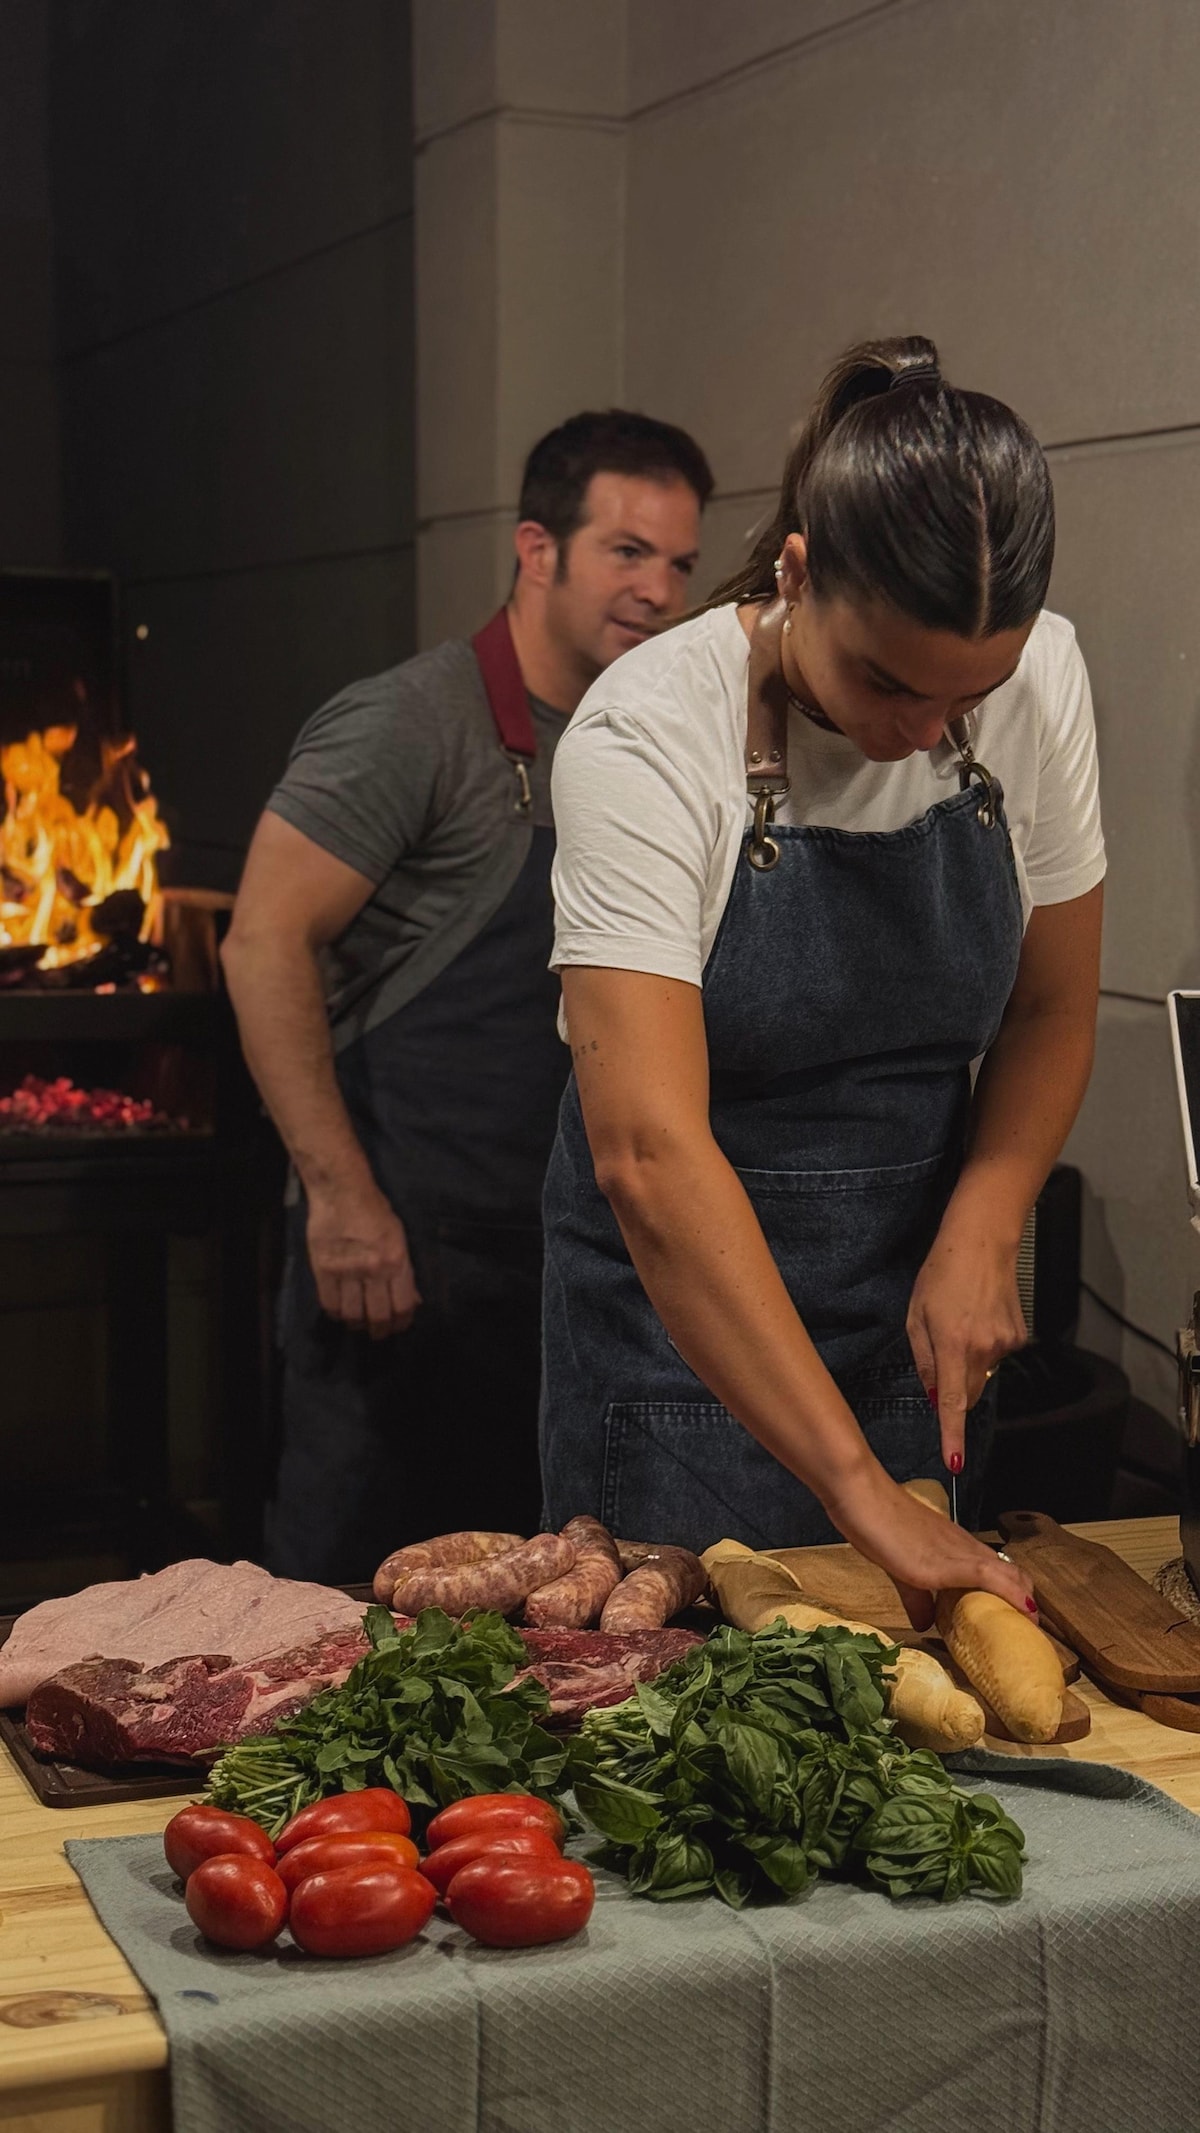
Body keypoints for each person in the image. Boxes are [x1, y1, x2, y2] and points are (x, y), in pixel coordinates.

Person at [541, 337, 1105, 1626]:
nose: (923, 732)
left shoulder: (1042, 676)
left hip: (912, 1319)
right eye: (888, 683)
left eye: (971, 696)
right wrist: (857, 1491)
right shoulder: (646, 735)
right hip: (680, 1343)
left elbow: (1052, 1006)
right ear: (797, 571)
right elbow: (646, 1151)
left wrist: (986, 1221)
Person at [222, 410, 714, 1580]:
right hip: (400, 1262)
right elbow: (261, 944)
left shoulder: (650, 740)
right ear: (536, 550)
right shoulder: (414, 722)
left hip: (557, 1278)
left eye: (681, 562)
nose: (658, 590)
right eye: (626, 552)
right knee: (340, 1615)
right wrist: (340, 1201)